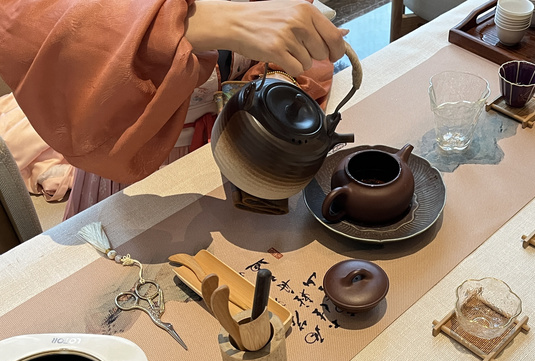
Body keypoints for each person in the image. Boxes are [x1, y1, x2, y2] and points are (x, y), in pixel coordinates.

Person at [0, 0, 347, 219]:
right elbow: (25, 20)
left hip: (244, 142)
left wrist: (277, 74)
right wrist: (196, 23)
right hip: (135, 153)